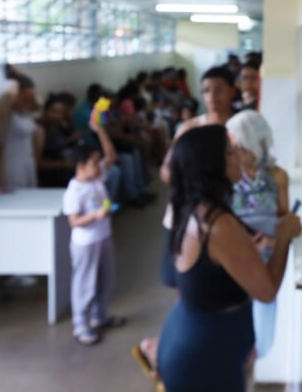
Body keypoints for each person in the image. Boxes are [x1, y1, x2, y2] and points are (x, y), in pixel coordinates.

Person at [155, 125, 301, 392]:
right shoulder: (218, 224)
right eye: (230, 151)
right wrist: (284, 236)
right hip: (204, 357)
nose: (238, 156)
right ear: (212, 163)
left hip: (197, 341)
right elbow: (267, 291)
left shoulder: (195, 208)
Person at [132, 65, 238, 381]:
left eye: (218, 89)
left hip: (228, 222)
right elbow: (167, 170)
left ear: (231, 91)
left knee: (221, 295)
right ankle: (163, 351)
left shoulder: (240, 126)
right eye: (206, 90)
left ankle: (184, 352)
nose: (211, 96)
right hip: (187, 221)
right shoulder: (191, 128)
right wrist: (196, 178)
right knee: (188, 294)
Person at [226, 110, 289, 359]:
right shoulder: (228, 177)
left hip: (268, 258)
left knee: (263, 328)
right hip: (236, 256)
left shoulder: (277, 176)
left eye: (242, 148)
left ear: (260, 143)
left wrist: (273, 241)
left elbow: (285, 220)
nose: (236, 154)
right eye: (232, 149)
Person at [62, 116, 126, 345]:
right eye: (94, 163)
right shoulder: (74, 191)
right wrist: (95, 216)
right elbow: (74, 221)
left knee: (105, 278)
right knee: (85, 282)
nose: (100, 166)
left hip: (103, 237)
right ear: (81, 167)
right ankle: (80, 323)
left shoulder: (96, 178)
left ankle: (99, 316)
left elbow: (111, 156)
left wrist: (100, 131)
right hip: (86, 242)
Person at [0, 66, 40, 189]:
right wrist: (14, 85)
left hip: (28, 162)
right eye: (25, 97)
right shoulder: (2, 112)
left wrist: (22, 76)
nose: (27, 101)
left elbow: (38, 104)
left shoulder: (25, 112)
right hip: (11, 165)